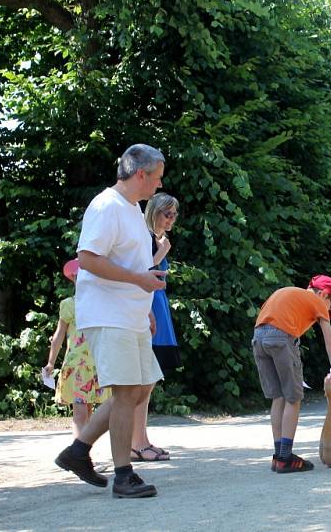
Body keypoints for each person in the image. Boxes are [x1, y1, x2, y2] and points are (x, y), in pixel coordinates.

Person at [54, 144, 167, 499]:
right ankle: (123, 475)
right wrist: (138, 284)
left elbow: (132, 264)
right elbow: (87, 258)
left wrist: (144, 304)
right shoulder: (106, 206)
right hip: (107, 314)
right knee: (124, 392)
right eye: (157, 177)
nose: (159, 185)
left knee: (138, 389)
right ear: (140, 174)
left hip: (130, 314)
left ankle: (77, 450)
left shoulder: (133, 209)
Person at [252, 275, 331, 473]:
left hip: (258, 338)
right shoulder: (316, 301)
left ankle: (278, 456)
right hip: (281, 337)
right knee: (293, 398)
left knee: (279, 397)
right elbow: (330, 343)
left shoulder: (286, 292)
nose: (328, 310)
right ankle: (286, 457)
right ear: (324, 294)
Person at [130, 192, 180, 462]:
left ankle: (142, 440)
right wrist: (162, 250)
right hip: (148, 309)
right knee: (143, 381)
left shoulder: (157, 239)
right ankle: (136, 443)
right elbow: (142, 270)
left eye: (174, 214)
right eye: (167, 213)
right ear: (155, 212)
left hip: (157, 307)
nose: (171, 219)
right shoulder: (147, 238)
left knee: (149, 380)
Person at [43, 258, 111, 439]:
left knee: (88, 414)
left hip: (95, 365)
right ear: (73, 279)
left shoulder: (102, 303)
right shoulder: (68, 304)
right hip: (77, 366)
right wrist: (50, 362)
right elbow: (58, 336)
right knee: (80, 415)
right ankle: (79, 454)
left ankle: (82, 454)